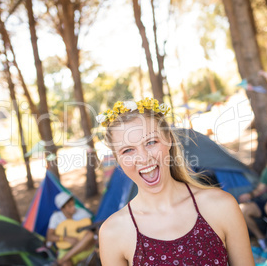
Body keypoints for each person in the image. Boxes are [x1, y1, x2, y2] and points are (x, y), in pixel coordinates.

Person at [97, 98, 254, 265]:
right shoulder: (113, 233)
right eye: (128, 150)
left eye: (151, 142)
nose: (144, 158)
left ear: (169, 140)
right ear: (117, 159)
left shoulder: (221, 206)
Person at [47, 192, 95, 266]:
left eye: (73, 205)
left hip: (85, 249)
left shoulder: (82, 213)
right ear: (62, 208)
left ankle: (60, 261)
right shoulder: (56, 217)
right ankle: (64, 260)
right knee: (66, 264)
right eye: (69, 206)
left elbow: (93, 231)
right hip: (65, 250)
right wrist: (66, 238)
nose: (73, 208)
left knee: (90, 235)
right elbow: (49, 236)